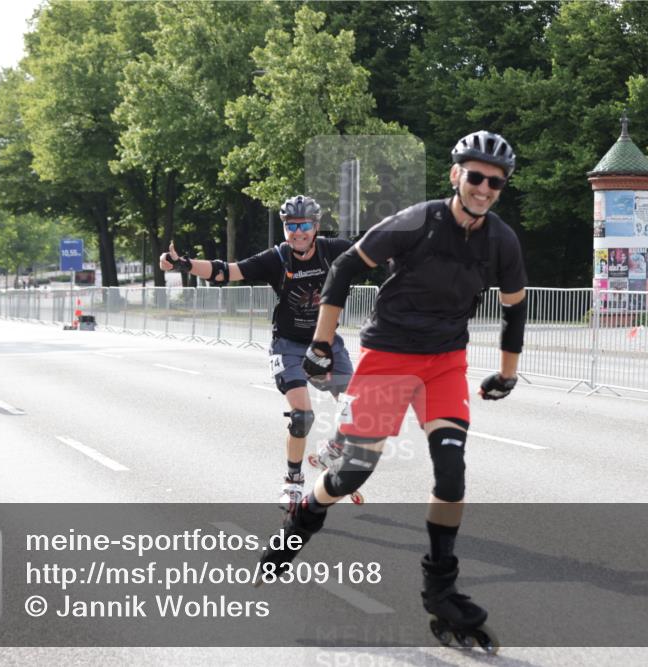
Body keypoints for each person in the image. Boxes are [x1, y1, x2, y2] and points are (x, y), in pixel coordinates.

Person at [257, 131, 528, 653]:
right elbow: (343, 268)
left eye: (495, 182)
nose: (484, 188)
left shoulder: (501, 240)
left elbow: (515, 307)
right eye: (475, 176)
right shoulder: (418, 221)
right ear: (456, 175)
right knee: (352, 474)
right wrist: (318, 346)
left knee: (452, 473)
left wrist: (507, 372)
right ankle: (301, 522)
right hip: (388, 360)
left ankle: (441, 591)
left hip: (445, 365)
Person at [160, 195, 356, 509]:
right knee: (302, 416)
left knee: (356, 407)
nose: (298, 233)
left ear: (316, 227)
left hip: (326, 341)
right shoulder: (277, 258)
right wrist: (184, 264)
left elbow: (377, 251)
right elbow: (227, 271)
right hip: (289, 345)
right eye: (291, 227)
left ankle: (333, 450)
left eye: (304, 226)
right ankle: (293, 481)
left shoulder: (334, 251)